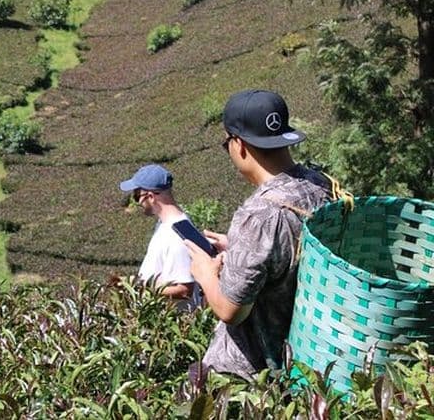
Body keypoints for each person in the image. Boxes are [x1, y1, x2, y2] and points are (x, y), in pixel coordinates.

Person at [185, 89, 332, 380]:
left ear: (238, 145)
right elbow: (294, 251)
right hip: (303, 354)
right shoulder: (320, 185)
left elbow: (231, 310)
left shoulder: (260, 215)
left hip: (253, 373)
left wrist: (204, 273)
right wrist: (239, 248)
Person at [118, 164, 200, 309]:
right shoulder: (169, 224)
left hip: (173, 325)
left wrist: (140, 288)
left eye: (137, 196)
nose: (137, 203)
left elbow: (184, 290)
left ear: (150, 197)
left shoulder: (176, 236)